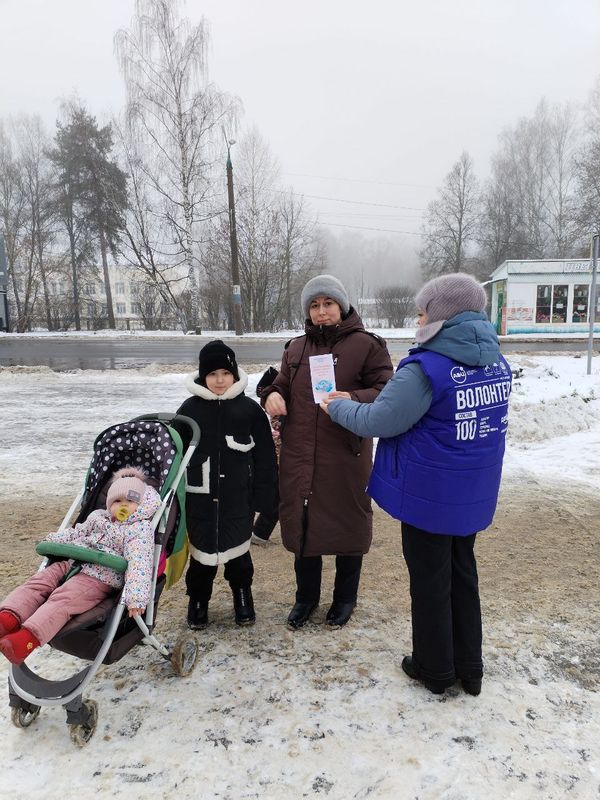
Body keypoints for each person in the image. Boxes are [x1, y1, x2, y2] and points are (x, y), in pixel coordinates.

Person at [321, 273, 511, 695]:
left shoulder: (426, 369)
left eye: (423, 312)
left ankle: (434, 669)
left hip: (430, 495)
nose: (418, 320)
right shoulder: (495, 362)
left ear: (442, 315)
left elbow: (380, 420)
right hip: (472, 492)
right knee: (463, 575)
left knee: (430, 582)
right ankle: (469, 668)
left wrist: (337, 408)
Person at [262, 274, 393, 629]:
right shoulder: (296, 348)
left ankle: (345, 598)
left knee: (348, 523)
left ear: (342, 306)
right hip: (299, 453)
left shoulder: (367, 345)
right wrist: (272, 395)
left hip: (346, 454)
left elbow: (387, 389)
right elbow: (281, 384)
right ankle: (305, 598)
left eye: (328, 303)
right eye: (315, 305)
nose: (321, 311)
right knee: (303, 526)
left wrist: (353, 397)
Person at [0, 467, 160, 664]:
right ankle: (6, 619)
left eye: (130, 501)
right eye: (117, 501)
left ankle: (26, 640)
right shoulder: (98, 518)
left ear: (142, 504)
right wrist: (54, 540)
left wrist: (136, 598)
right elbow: (76, 533)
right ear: (109, 504)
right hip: (72, 563)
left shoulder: (139, 529)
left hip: (100, 576)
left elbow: (140, 563)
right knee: (38, 583)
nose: (123, 506)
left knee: (64, 599)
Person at [177, 340, 277, 629]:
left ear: (234, 374)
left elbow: (265, 458)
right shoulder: (189, 410)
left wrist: (264, 498)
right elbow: (175, 456)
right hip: (200, 500)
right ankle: (198, 600)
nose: (219, 380)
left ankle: (242, 595)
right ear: (202, 376)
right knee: (201, 559)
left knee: (239, 556)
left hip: (237, 499)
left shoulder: (249, 411)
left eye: (225, 373)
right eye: (212, 374)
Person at [251, 366, 281, 547]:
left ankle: (260, 533)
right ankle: (259, 533)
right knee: (278, 496)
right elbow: (277, 422)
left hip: (283, 452)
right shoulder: (279, 375)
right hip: (281, 455)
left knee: (279, 495)